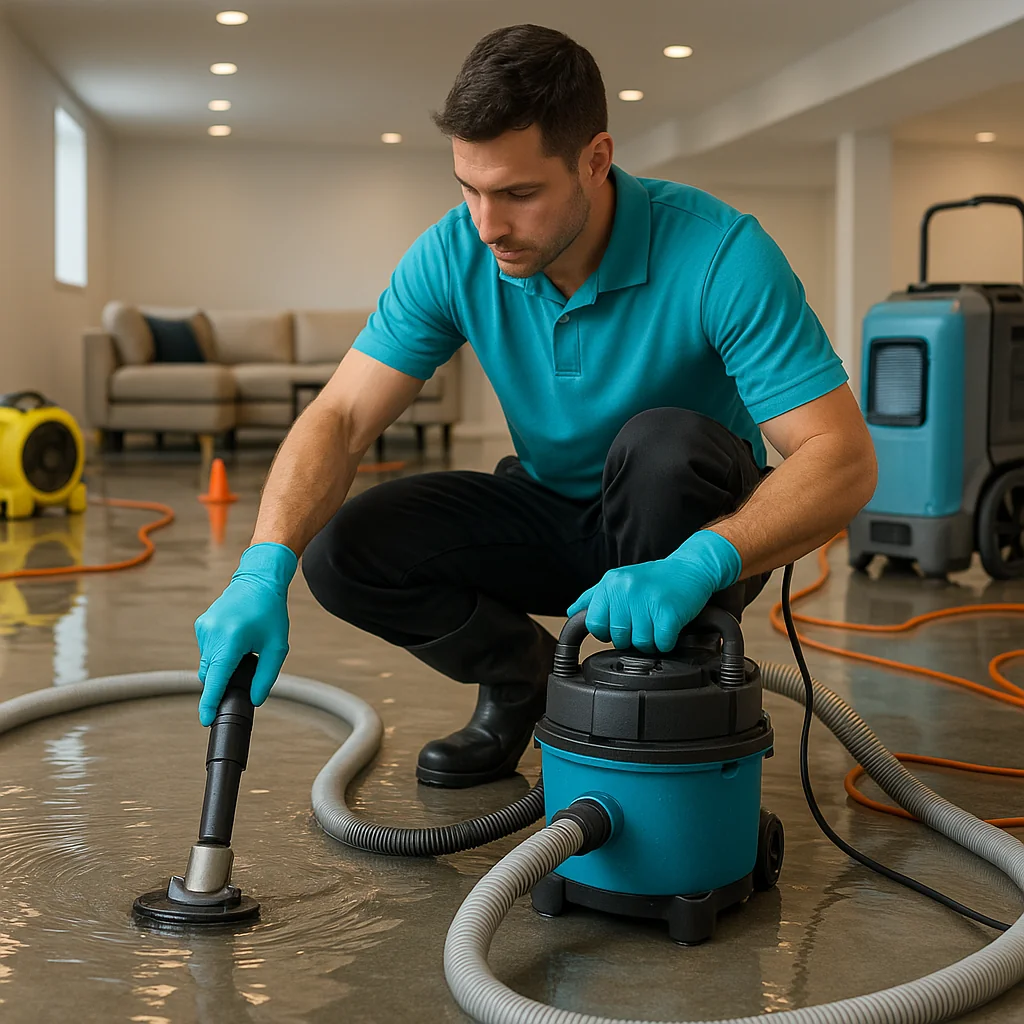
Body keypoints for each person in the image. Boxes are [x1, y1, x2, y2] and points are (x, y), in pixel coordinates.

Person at [194, 24, 877, 789]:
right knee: (341, 549)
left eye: (519, 193)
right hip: (549, 509)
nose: (488, 224)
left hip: (682, 531)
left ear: (596, 161)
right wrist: (261, 566)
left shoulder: (721, 254)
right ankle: (527, 682)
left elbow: (840, 458)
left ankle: (652, 734)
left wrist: (703, 560)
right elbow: (342, 418)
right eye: (469, 188)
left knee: (662, 445)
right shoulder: (456, 251)